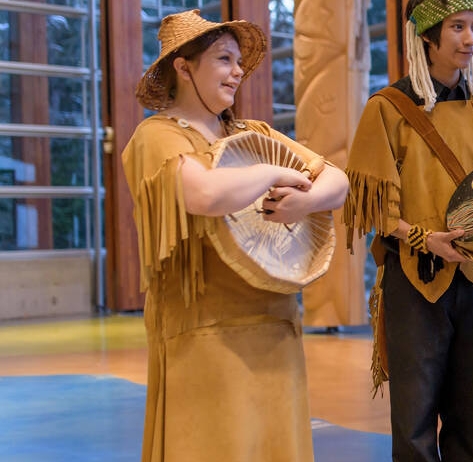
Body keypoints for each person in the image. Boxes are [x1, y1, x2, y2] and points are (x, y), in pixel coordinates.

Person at [121, 9, 349, 462]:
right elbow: (204, 194)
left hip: (275, 322)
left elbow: (338, 180)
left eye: (239, 61)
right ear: (184, 69)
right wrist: (272, 172)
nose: (238, 70)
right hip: (203, 334)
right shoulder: (157, 136)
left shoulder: (254, 134)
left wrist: (304, 200)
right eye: (224, 59)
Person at [342, 0, 473, 460]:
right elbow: (372, 204)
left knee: (471, 418)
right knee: (415, 421)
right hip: (414, 281)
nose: (471, 39)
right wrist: (424, 239)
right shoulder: (386, 109)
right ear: (426, 37)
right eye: (457, 27)